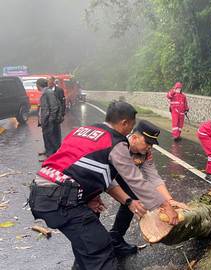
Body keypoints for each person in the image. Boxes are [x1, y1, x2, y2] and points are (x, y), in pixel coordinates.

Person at [28, 101, 178, 270]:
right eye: (131, 126)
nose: (149, 147)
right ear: (125, 123)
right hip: (62, 198)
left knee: (87, 245)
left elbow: (79, 166)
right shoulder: (117, 142)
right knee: (100, 249)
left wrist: (90, 196)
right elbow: (136, 180)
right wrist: (164, 205)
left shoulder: (83, 130)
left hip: (42, 190)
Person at [109, 120, 186, 257]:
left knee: (133, 199)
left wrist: (169, 201)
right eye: (148, 143)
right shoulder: (118, 145)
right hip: (101, 175)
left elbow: (153, 177)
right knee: (93, 209)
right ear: (134, 138)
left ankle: (115, 239)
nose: (150, 147)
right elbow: (111, 179)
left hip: (123, 175)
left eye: (152, 144)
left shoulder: (145, 152)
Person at [37, 78, 62, 159]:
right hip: (45, 118)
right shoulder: (45, 92)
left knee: (51, 136)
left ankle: (52, 154)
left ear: (38, 85)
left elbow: (54, 107)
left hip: (49, 119)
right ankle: (48, 151)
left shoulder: (48, 92)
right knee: (46, 135)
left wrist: (51, 118)